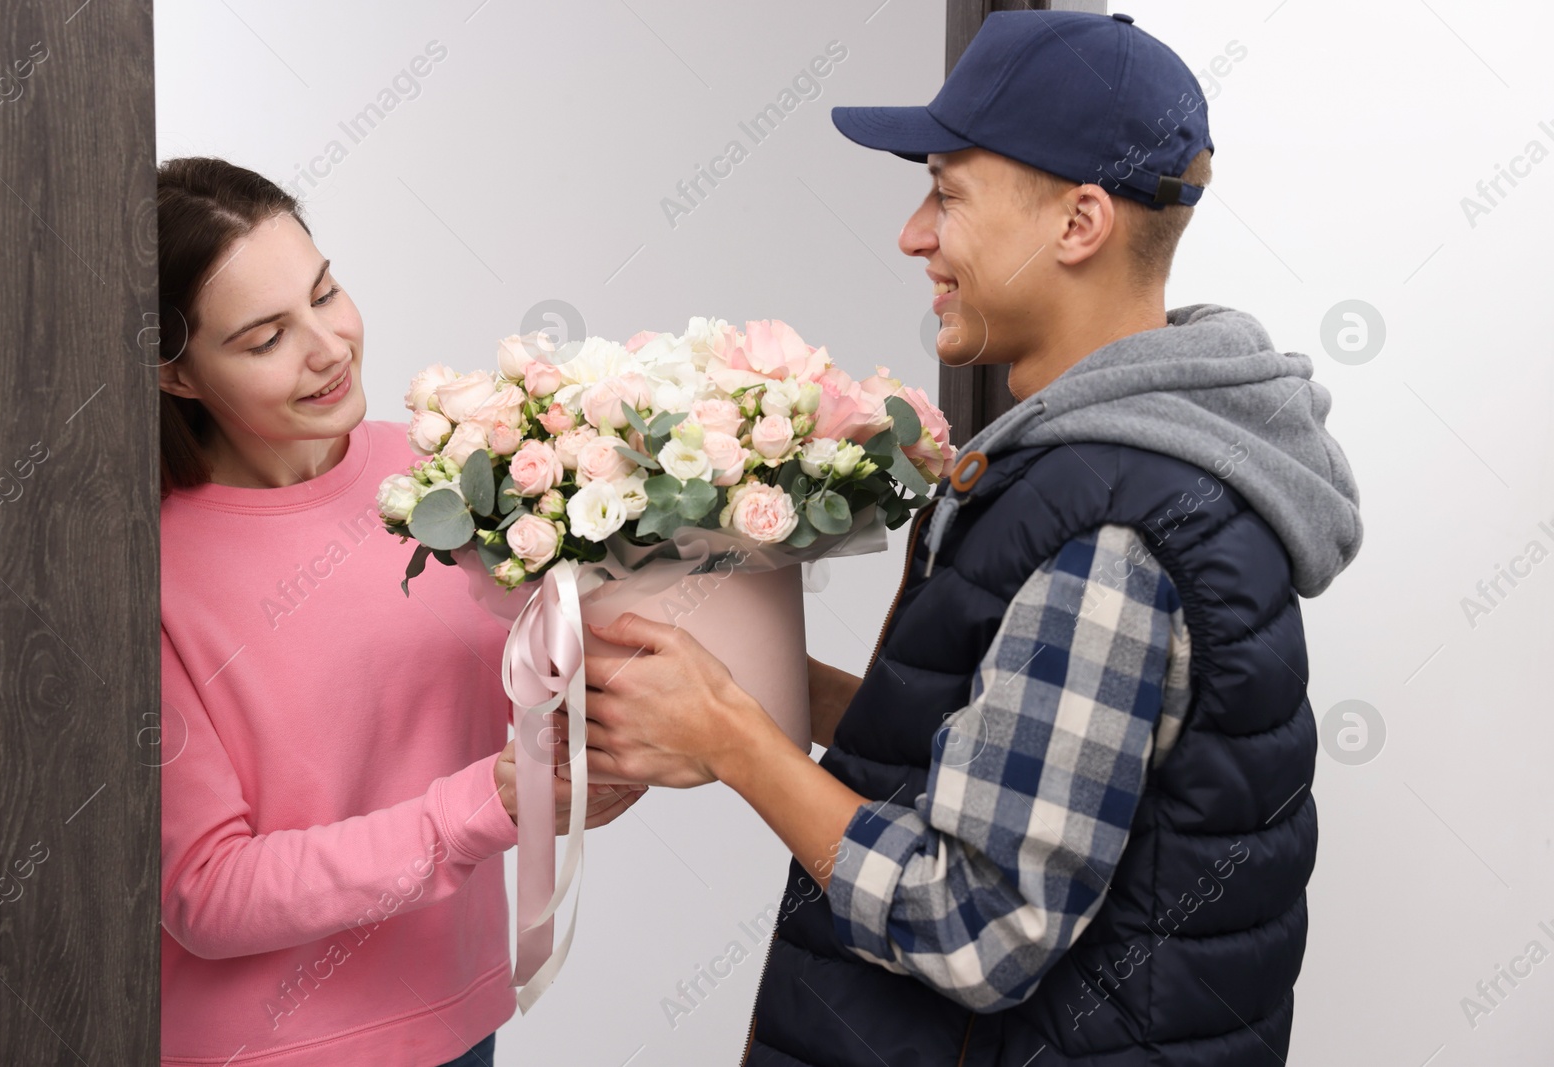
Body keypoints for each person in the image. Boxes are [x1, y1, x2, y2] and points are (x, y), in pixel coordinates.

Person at [569, 10, 1362, 1065]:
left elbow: (973, 925)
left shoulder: (1115, 525)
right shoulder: (1125, 466)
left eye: (946, 193)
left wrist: (736, 741)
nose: (913, 233)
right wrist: (776, 692)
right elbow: (1025, 770)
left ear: (1079, 223)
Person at [154, 156, 646, 1067]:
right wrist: (479, 807)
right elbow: (204, 891)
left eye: (326, 291)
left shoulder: (437, 472)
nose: (329, 346)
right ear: (176, 375)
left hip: (458, 1019)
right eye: (265, 339)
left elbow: (524, 689)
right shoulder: (145, 570)